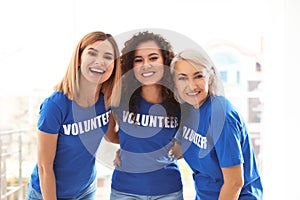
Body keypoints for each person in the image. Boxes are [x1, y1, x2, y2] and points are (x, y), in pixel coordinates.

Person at [26, 31, 122, 200]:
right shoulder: (55, 105)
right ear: (79, 59)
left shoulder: (106, 101)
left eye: (108, 57)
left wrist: (134, 146)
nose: (100, 61)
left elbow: (112, 136)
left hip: (85, 191)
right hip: (47, 193)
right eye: (92, 53)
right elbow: (44, 166)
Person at [169, 49, 263, 199]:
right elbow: (177, 150)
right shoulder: (189, 110)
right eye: (183, 78)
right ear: (174, 83)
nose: (192, 86)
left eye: (198, 76)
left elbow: (234, 183)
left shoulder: (221, 116)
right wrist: (134, 152)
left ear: (210, 78)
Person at [105, 31, 184, 200]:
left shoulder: (180, 102)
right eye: (138, 60)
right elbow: (111, 135)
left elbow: (189, 141)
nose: (146, 65)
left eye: (153, 58)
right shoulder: (120, 97)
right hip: (124, 191)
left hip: (168, 190)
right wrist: (129, 147)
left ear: (165, 61)